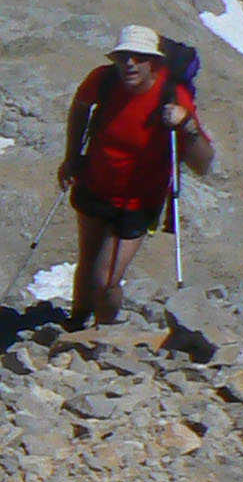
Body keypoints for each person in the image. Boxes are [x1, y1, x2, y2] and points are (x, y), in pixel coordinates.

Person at [60, 25, 213, 328]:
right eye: (123, 57)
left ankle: (104, 333)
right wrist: (72, 157)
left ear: (154, 62)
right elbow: (80, 107)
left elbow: (203, 163)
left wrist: (187, 125)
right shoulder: (103, 80)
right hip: (95, 183)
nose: (129, 64)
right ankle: (76, 325)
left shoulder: (173, 96)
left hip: (138, 201)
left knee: (106, 279)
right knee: (88, 260)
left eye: (139, 57)